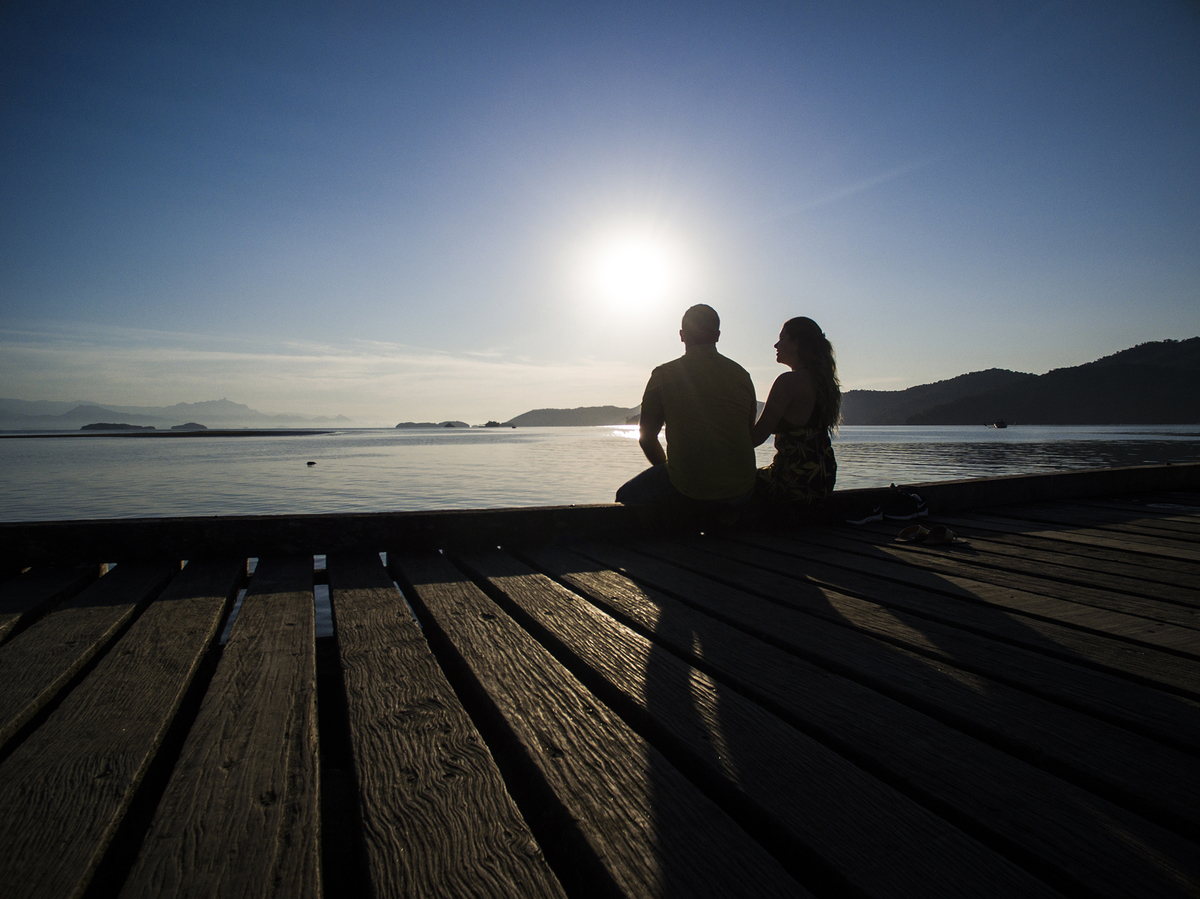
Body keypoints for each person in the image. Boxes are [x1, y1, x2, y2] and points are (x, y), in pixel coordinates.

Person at [616, 304, 758, 510]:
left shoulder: (663, 375)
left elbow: (647, 438)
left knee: (624, 495)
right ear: (717, 335)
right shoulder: (742, 375)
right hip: (742, 489)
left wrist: (673, 471)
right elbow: (748, 433)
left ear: (682, 335)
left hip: (688, 489)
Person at [751, 316, 840, 509]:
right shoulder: (825, 383)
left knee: (734, 484)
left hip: (793, 481)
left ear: (796, 343)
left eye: (782, 339)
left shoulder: (788, 382)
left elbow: (755, 438)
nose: (776, 344)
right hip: (823, 480)